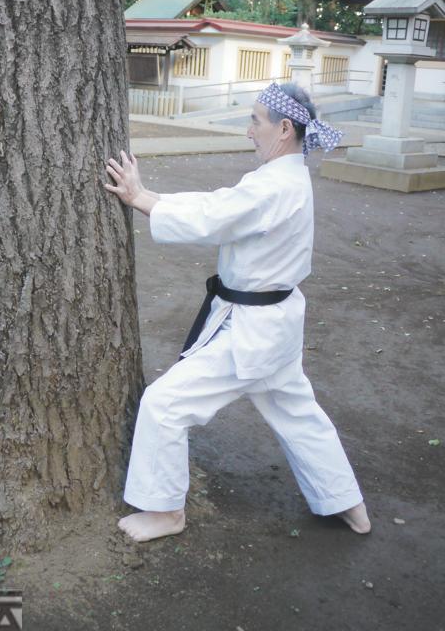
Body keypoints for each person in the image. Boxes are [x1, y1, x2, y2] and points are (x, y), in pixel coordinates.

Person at [104, 81, 371, 543]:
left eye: (255, 121)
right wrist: (150, 196)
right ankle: (347, 503)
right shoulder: (285, 179)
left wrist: (140, 199)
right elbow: (221, 204)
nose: (249, 131)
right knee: (297, 414)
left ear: (284, 129)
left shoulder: (275, 186)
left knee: (165, 405)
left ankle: (165, 511)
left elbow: (213, 217)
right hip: (275, 326)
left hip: (253, 332)